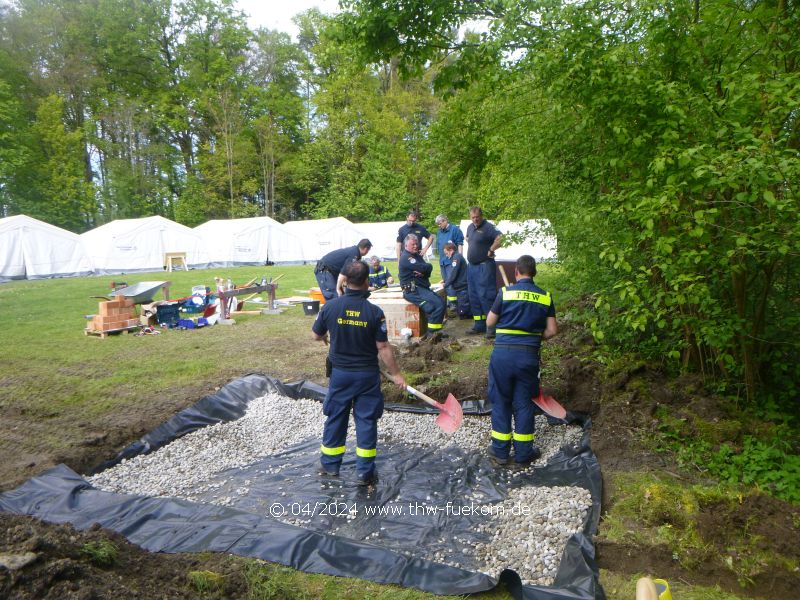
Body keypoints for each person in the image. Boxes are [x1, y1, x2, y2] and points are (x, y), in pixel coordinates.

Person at [312, 260, 406, 484]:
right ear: (366, 282)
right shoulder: (374, 312)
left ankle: (330, 466)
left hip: (341, 375)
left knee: (336, 416)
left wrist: (325, 334)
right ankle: (364, 472)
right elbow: (383, 347)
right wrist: (396, 374)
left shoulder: (330, 307)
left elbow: (315, 335)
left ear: (345, 280)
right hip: (366, 376)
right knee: (366, 420)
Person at [485, 255, 557, 466]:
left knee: (500, 401)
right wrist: (534, 336)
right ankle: (524, 454)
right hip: (528, 355)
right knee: (524, 403)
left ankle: (500, 452)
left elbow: (490, 322)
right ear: (534, 272)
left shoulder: (505, 293)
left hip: (503, 355)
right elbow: (552, 330)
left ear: (516, 272)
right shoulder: (545, 296)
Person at [398, 234, 446, 337]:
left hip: (421, 288)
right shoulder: (407, 257)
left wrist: (426, 269)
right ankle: (432, 334)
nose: (415, 246)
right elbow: (424, 268)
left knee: (441, 302)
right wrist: (425, 268)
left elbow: (427, 269)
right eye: (413, 244)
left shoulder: (416, 256)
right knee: (437, 305)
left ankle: (436, 333)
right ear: (406, 245)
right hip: (413, 291)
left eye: (416, 244)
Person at [465, 207, 502, 337]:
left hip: (484, 266)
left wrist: (491, 249)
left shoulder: (489, 227)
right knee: (473, 296)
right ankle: (479, 325)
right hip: (471, 267)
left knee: (486, 296)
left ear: (481, 216)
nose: (475, 219)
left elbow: (501, 239)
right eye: (473, 217)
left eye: (477, 217)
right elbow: (467, 238)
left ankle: (491, 327)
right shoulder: (470, 227)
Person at [434, 214, 464, 311]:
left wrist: (459, 257)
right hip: (442, 261)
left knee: (451, 282)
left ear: (445, 220)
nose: (439, 226)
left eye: (440, 223)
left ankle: (453, 304)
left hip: (452, 261)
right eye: (438, 224)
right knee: (446, 282)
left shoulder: (454, 229)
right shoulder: (439, 232)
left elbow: (460, 244)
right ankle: (449, 302)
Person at [441, 242, 470, 318]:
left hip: (462, 286)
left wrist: (446, 284)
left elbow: (454, 273)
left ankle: (466, 315)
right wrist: (445, 280)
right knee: (461, 306)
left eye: (447, 253)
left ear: (451, 250)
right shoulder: (457, 256)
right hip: (461, 286)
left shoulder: (456, 258)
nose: (447, 256)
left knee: (463, 309)